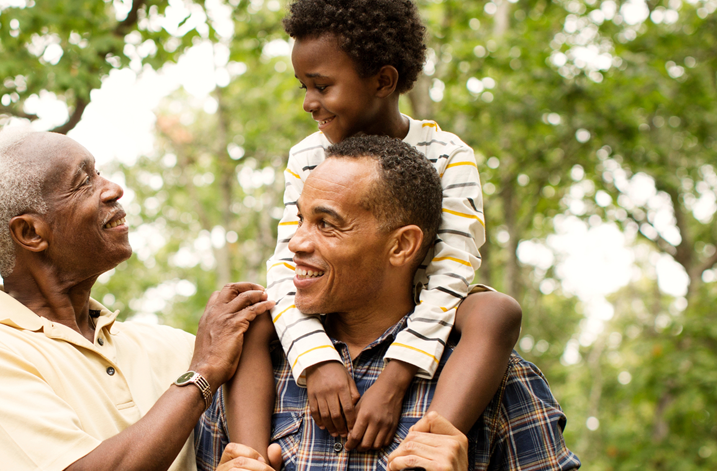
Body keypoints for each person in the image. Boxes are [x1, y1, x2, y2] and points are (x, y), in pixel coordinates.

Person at [0, 127, 469, 471]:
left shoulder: (169, 346)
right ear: (30, 233)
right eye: (82, 181)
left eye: (100, 171)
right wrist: (202, 373)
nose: (113, 188)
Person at [226, 0, 524, 457]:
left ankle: (429, 446)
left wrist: (395, 377)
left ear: (383, 81)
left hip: (420, 311)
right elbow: (288, 264)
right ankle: (249, 458)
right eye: (304, 86)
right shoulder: (308, 156)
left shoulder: (448, 155)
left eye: (322, 86)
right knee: (252, 315)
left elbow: (452, 270)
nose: (308, 103)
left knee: (495, 311)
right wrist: (317, 360)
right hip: (330, 305)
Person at [197, 136, 580, 470]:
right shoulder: (252, 373)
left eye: (326, 224)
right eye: (300, 220)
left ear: (401, 245)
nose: (296, 243)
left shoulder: (492, 377)